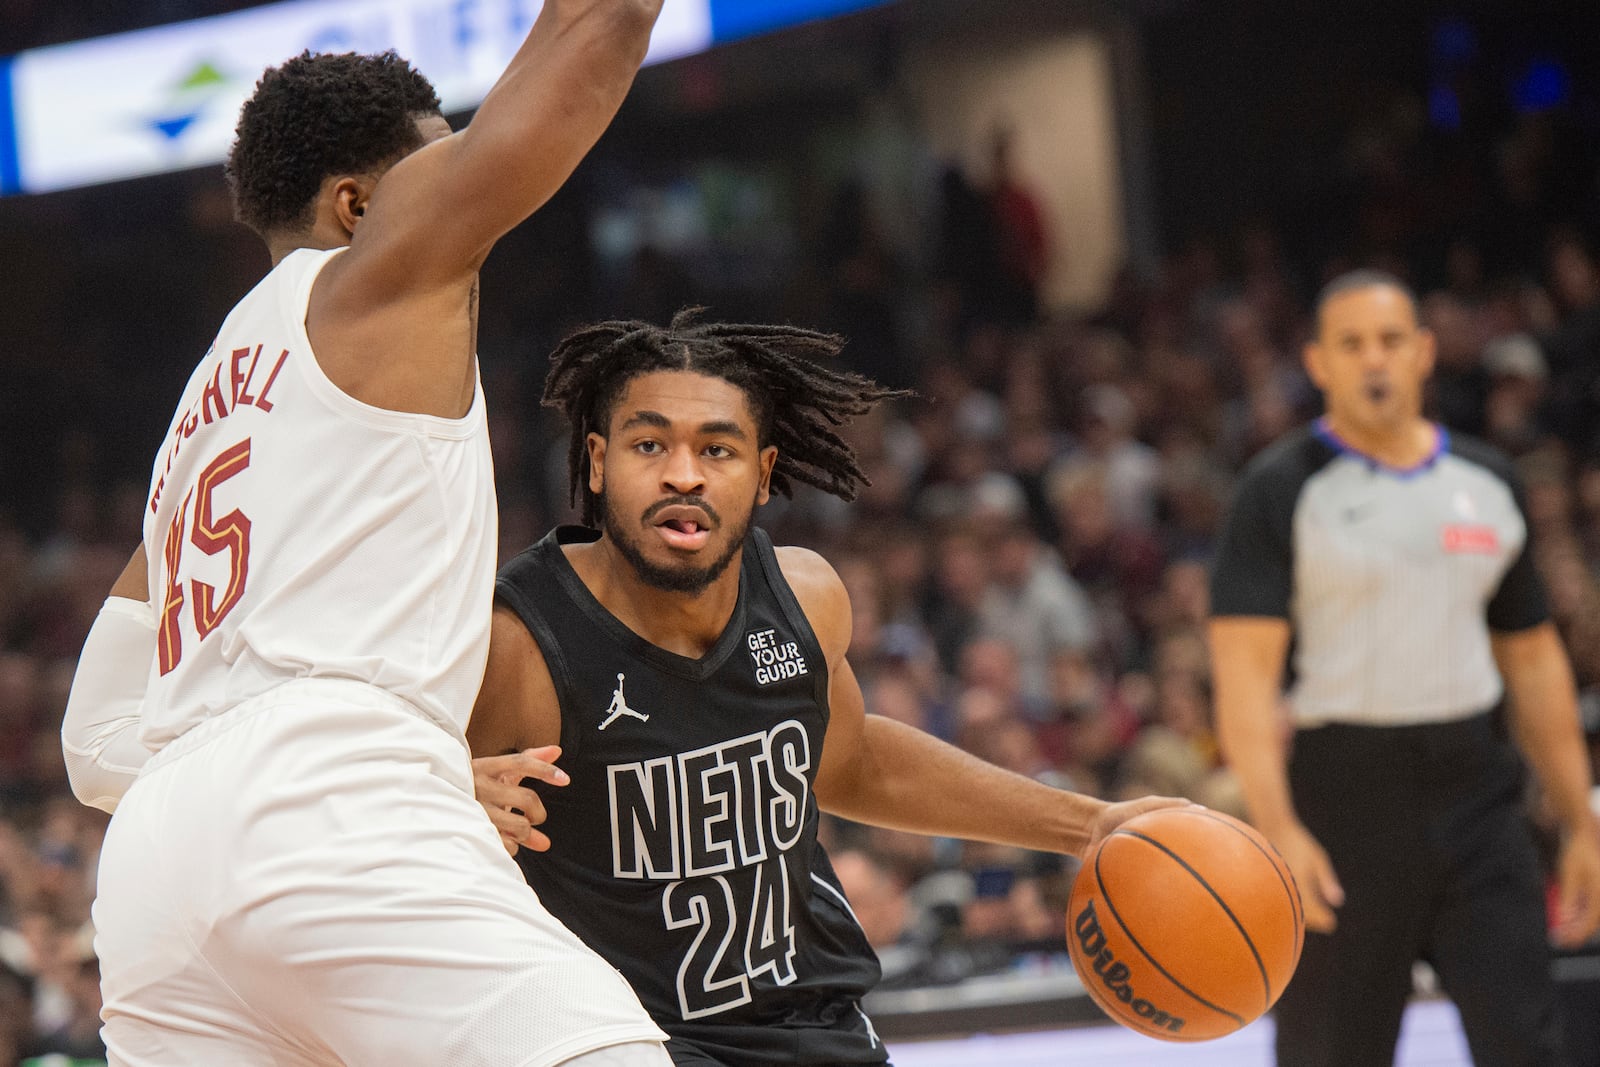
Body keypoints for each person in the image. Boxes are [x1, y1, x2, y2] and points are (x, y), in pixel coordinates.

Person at [58, 6, 676, 1064]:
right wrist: (346, 762)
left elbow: (92, 743)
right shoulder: (375, 277)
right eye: (442, 164)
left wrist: (375, 766)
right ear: (357, 204)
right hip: (328, 799)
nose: (466, 190)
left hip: (156, 879)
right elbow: (601, 27)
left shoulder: (200, 420)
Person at [466, 311, 1187, 1065]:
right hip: (625, 1039)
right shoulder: (518, 643)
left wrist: (1092, 824)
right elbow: (398, 826)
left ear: (765, 472)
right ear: (599, 460)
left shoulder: (805, 599)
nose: (684, 473)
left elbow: (853, 764)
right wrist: (448, 796)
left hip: (811, 1021)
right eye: (650, 445)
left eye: (718, 448)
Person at [1207, 269, 1600, 1067]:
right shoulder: (1278, 490)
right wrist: (1278, 825)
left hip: (1481, 798)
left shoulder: (1489, 484)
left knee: (1531, 1046)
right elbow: (1243, 677)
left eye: (1390, 340)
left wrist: (1580, 821)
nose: (1373, 359)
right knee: (1329, 1054)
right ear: (1318, 363)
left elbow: (1534, 666)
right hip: (1341, 805)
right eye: (1351, 344)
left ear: (1424, 352)